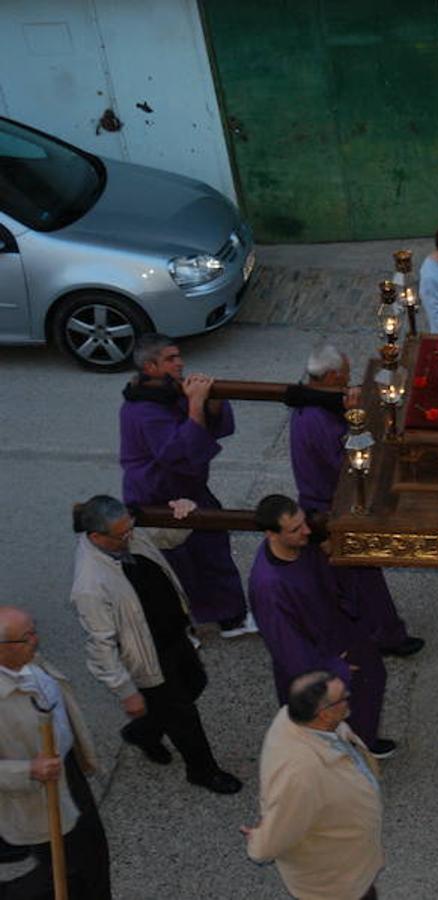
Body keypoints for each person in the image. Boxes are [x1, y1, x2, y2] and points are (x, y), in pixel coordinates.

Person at [70, 495, 242, 794]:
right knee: (184, 716)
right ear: (97, 537)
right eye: (123, 534)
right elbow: (101, 645)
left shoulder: (127, 537)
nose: (130, 535)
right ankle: (203, 771)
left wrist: (185, 514)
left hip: (174, 635)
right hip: (149, 657)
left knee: (195, 683)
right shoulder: (90, 585)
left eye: (131, 528)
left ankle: (143, 732)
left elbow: (166, 538)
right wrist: (126, 692)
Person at [288, 344, 424, 657]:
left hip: (324, 499)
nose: (348, 382)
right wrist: (355, 424)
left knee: (348, 579)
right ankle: (385, 636)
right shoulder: (317, 420)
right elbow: (349, 463)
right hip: (331, 506)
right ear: (333, 376)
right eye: (345, 376)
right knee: (361, 576)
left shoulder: (307, 406)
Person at [119, 333, 256, 637]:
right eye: (171, 359)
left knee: (213, 553)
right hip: (156, 497)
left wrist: (214, 405)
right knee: (173, 567)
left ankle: (231, 617)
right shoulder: (143, 410)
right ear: (151, 366)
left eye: (179, 356)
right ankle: (181, 628)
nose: (180, 363)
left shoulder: (166, 392)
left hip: (189, 490)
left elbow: (210, 429)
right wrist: (196, 405)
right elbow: (178, 454)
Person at [248, 495, 395, 758]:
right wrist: (333, 668)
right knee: (329, 715)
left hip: (342, 633)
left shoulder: (302, 545)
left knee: (371, 685)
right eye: (295, 529)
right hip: (321, 660)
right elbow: (287, 647)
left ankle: (362, 740)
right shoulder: (270, 587)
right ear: (271, 534)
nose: (306, 531)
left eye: (304, 522)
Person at [0, 606, 111, 900]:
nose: (36, 641)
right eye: (27, 637)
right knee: (67, 867)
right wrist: (28, 771)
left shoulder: (29, 661)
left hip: (65, 770)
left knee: (94, 851)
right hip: (36, 794)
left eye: (34, 631)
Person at [243, 671, 383, 900]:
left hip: (348, 866)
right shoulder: (301, 775)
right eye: (344, 697)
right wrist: (258, 842)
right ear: (324, 714)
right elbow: (275, 837)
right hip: (335, 885)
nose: (350, 696)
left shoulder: (295, 719)